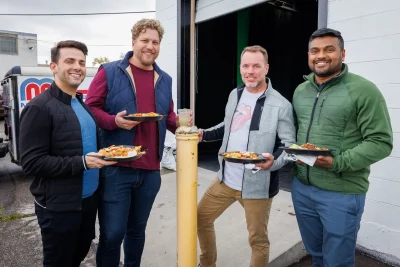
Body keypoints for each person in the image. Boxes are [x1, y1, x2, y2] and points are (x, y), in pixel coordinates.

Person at [86, 19, 191, 267]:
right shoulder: (109, 71)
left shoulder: (164, 78)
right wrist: (113, 121)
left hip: (150, 170)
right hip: (116, 168)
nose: (150, 46)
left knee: (137, 232)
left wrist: (184, 128)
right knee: (112, 235)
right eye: (145, 40)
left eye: (155, 42)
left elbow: (168, 115)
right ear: (133, 42)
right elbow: (90, 107)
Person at [291, 28, 393, 267]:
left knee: (337, 261)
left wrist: (338, 162)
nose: (321, 56)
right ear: (308, 55)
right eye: (315, 51)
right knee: (316, 254)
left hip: (342, 192)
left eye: (329, 49)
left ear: (342, 53)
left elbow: (381, 141)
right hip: (302, 188)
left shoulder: (363, 90)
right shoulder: (300, 91)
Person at [197, 45, 296, 267]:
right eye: (246, 66)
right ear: (241, 68)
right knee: (200, 219)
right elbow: (229, 125)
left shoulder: (281, 105)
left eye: (256, 66)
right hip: (225, 179)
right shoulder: (235, 94)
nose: (250, 71)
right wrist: (204, 134)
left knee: (257, 240)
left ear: (266, 68)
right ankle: (207, 264)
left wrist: (273, 162)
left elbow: (289, 146)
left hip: (257, 185)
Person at [19, 40, 116, 267]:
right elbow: (32, 163)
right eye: (69, 61)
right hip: (59, 206)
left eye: (82, 62)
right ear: (53, 66)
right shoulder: (39, 107)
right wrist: (82, 162)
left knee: (80, 253)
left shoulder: (81, 104)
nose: (77, 67)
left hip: (87, 201)